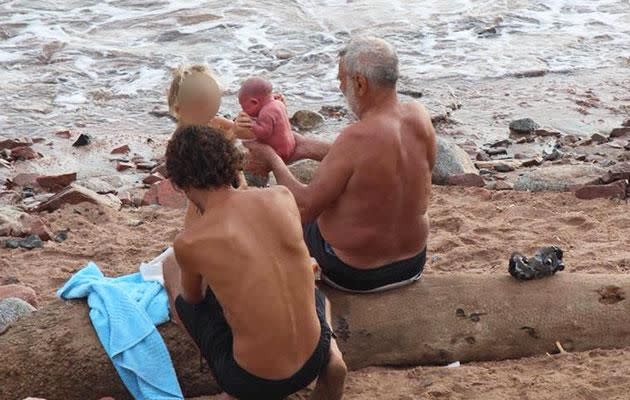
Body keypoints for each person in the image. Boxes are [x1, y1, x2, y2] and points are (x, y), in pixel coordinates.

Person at [162, 125, 347, 400]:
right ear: (231, 163)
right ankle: (333, 355)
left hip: (253, 381)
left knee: (171, 267)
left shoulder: (190, 241)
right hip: (313, 359)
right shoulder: (281, 197)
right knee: (317, 295)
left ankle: (230, 390)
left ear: (179, 183)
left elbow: (192, 299)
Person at [244, 37, 437, 293]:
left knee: (273, 214)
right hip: (412, 262)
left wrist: (271, 157)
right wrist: (303, 146)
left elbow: (304, 208)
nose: (339, 87)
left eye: (341, 80)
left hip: (356, 274)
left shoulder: (356, 136)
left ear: (360, 83)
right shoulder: (419, 117)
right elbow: (373, 162)